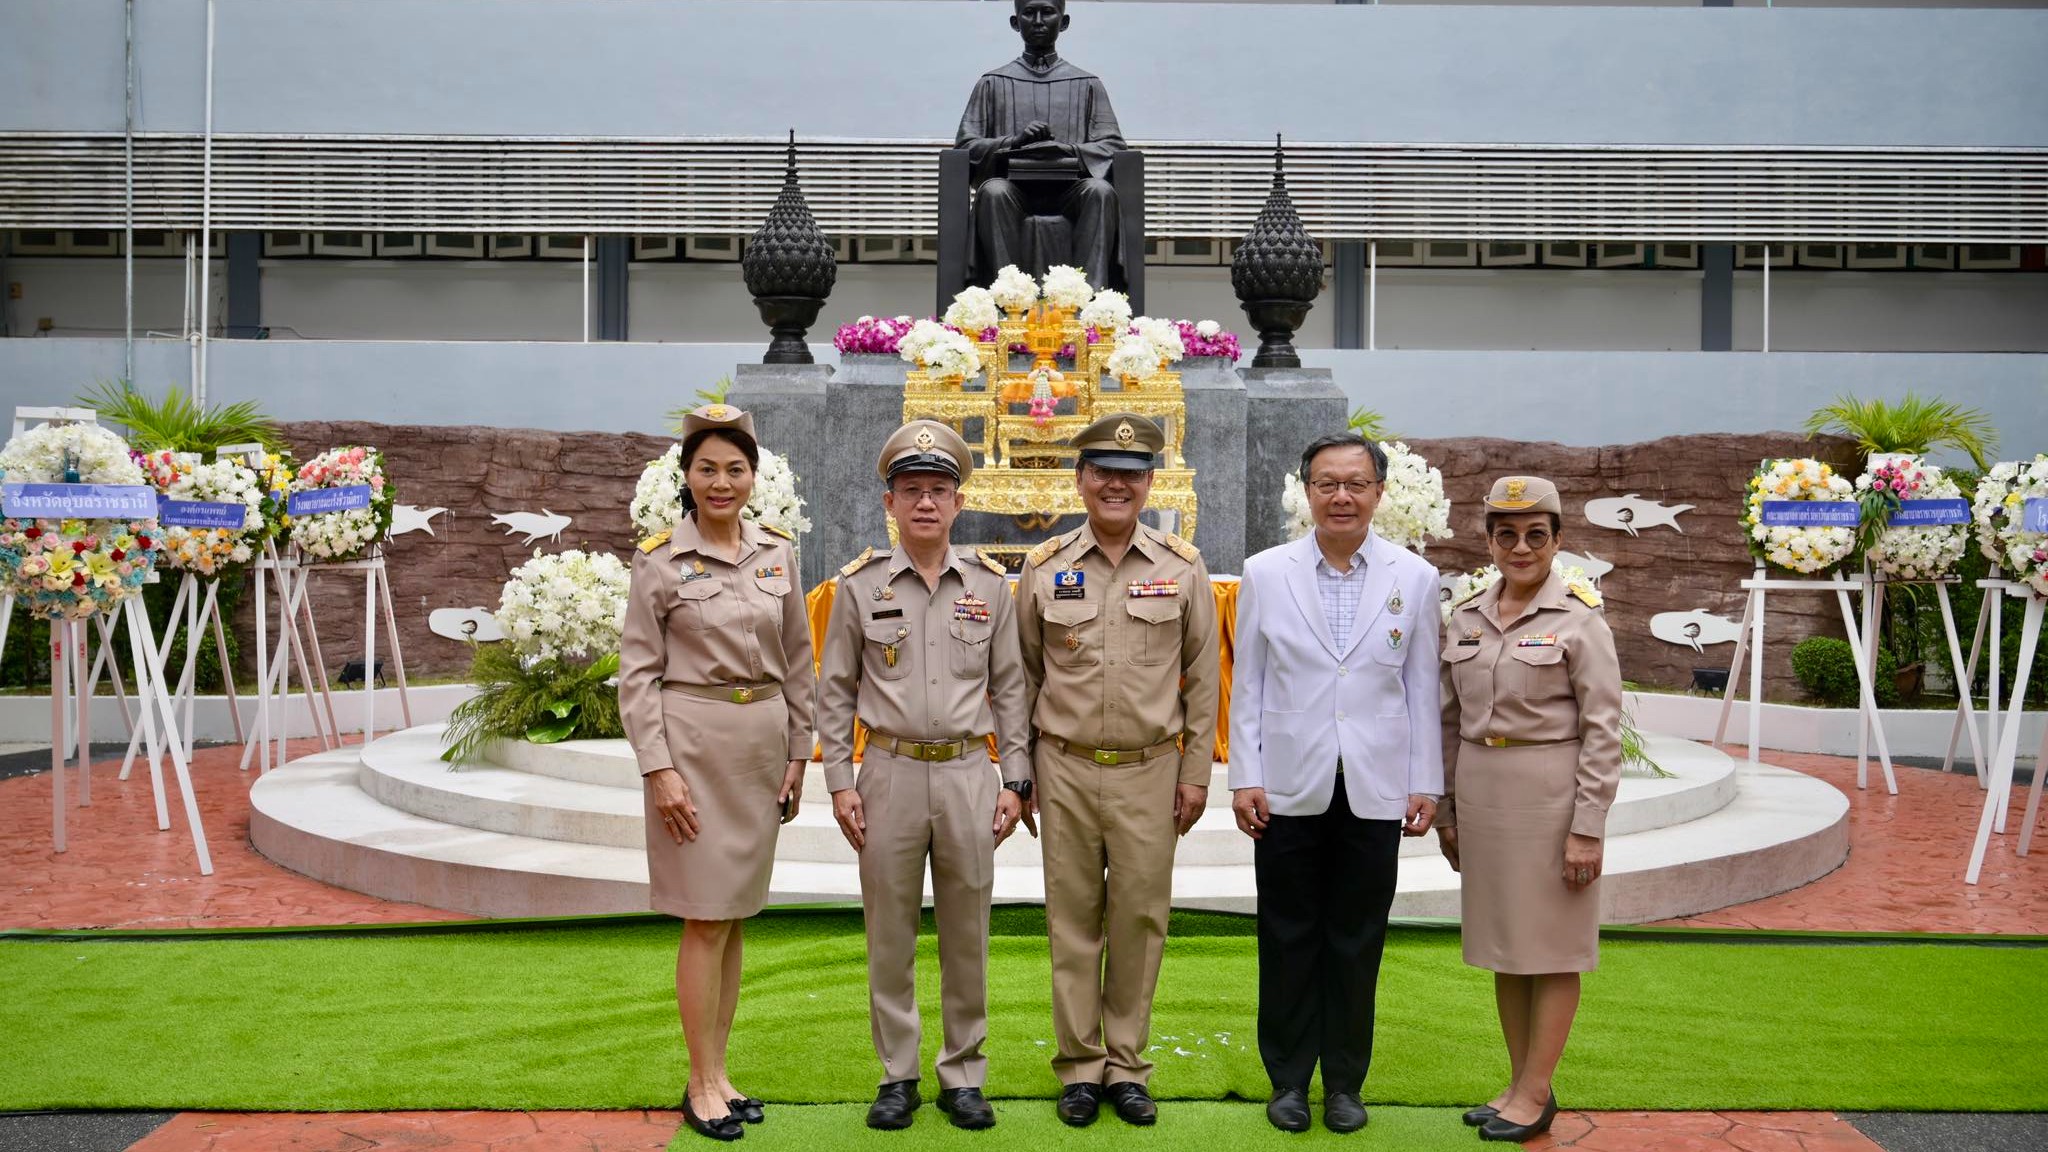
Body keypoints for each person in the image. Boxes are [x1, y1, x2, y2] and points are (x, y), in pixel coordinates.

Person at [816, 420, 1034, 1132]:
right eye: (912, 491)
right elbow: (835, 690)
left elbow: (1011, 690)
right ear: (890, 502)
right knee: (891, 930)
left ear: (959, 500)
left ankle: (964, 1074)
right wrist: (841, 783)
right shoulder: (858, 587)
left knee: (967, 930)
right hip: (889, 772)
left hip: (971, 773)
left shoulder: (991, 587)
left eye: (939, 491)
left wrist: (1015, 779)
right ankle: (898, 1075)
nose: (926, 505)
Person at [1228, 433, 1444, 1134]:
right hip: (1288, 785)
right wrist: (1246, 775)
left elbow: (1420, 688)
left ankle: (1346, 1083)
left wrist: (1425, 783)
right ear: (1307, 492)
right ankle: (1288, 1080)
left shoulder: (1413, 578)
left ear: (1380, 493)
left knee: (1357, 939)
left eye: (1356, 483)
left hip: (1376, 788)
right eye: (1328, 483)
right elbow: (1250, 684)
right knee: (1287, 935)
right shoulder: (1266, 572)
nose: (1342, 496)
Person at [1015, 411, 1221, 1127]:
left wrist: (1196, 773)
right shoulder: (1043, 569)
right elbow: (1023, 675)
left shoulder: (1182, 567)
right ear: (1079, 479)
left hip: (1149, 771)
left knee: (1138, 919)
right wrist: (1023, 772)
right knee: (1071, 921)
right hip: (1065, 767)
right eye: (1102, 472)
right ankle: (1079, 1067)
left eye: (1131, 475)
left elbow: (1204, 674)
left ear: (1150, 483)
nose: (1116, 485)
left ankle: (1127, 1065)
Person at [617, 403, 816, 1143]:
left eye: (735, 468)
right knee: (704, 918)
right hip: (693, 752)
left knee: (733, 919)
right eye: (708, 468)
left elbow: (799, 660)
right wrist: (659, 771)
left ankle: (720, 1071)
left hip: (760, 752)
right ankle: (698, 1082)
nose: (722, 482)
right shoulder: (661, 560)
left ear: (753, 476)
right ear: (687, 475)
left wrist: (800, 752)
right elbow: (637, 678)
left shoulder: (776, 554)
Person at [1438, 475, 1622, 1144]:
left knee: (1553, 949)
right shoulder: (1465, 616)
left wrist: (1587, 828)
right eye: (1506, 534)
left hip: (1550, 798)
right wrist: (1450, 811)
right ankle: (1518, 1087)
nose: (1521, 547)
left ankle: (1537, 1090)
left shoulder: (1579, 619)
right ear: (1488, 540)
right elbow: (1448, 722)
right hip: (1485, 797)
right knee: (1507, 947)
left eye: (1535, 535)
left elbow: (1603, 731)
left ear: (1558, 540)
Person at [955, 0, 1127, 290]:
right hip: (1013, 193)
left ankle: (1087, 302)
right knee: (994, 192)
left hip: (1072, 193)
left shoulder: (1087, 84)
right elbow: (966, 149)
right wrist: (1014, 141)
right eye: (1028, 12)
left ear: (1064, 21)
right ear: (1015, 22)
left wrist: (1069, 150)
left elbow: (1113, 147)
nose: (1037, 20)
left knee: (1100, 191)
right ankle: (1008, 299)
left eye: (1047, 12)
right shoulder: (992, 83)